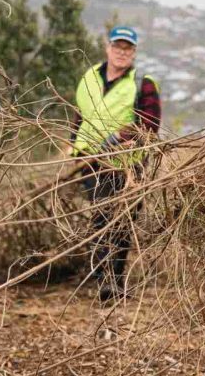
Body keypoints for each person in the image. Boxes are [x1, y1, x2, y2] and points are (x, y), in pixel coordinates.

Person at [69, 26, 161, 301]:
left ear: (134, 53)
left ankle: (113, 282)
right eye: (117, 47)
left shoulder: (143, 83)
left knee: (121, 223)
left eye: (128, 48)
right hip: (91, 163)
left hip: (126, 166)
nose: (122, 53)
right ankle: (105, 282)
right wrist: (72, 143)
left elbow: (151, 124)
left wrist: (119, 136)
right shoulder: (89, 77)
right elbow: (80, 113)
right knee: (102, 220)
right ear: (108, 48)